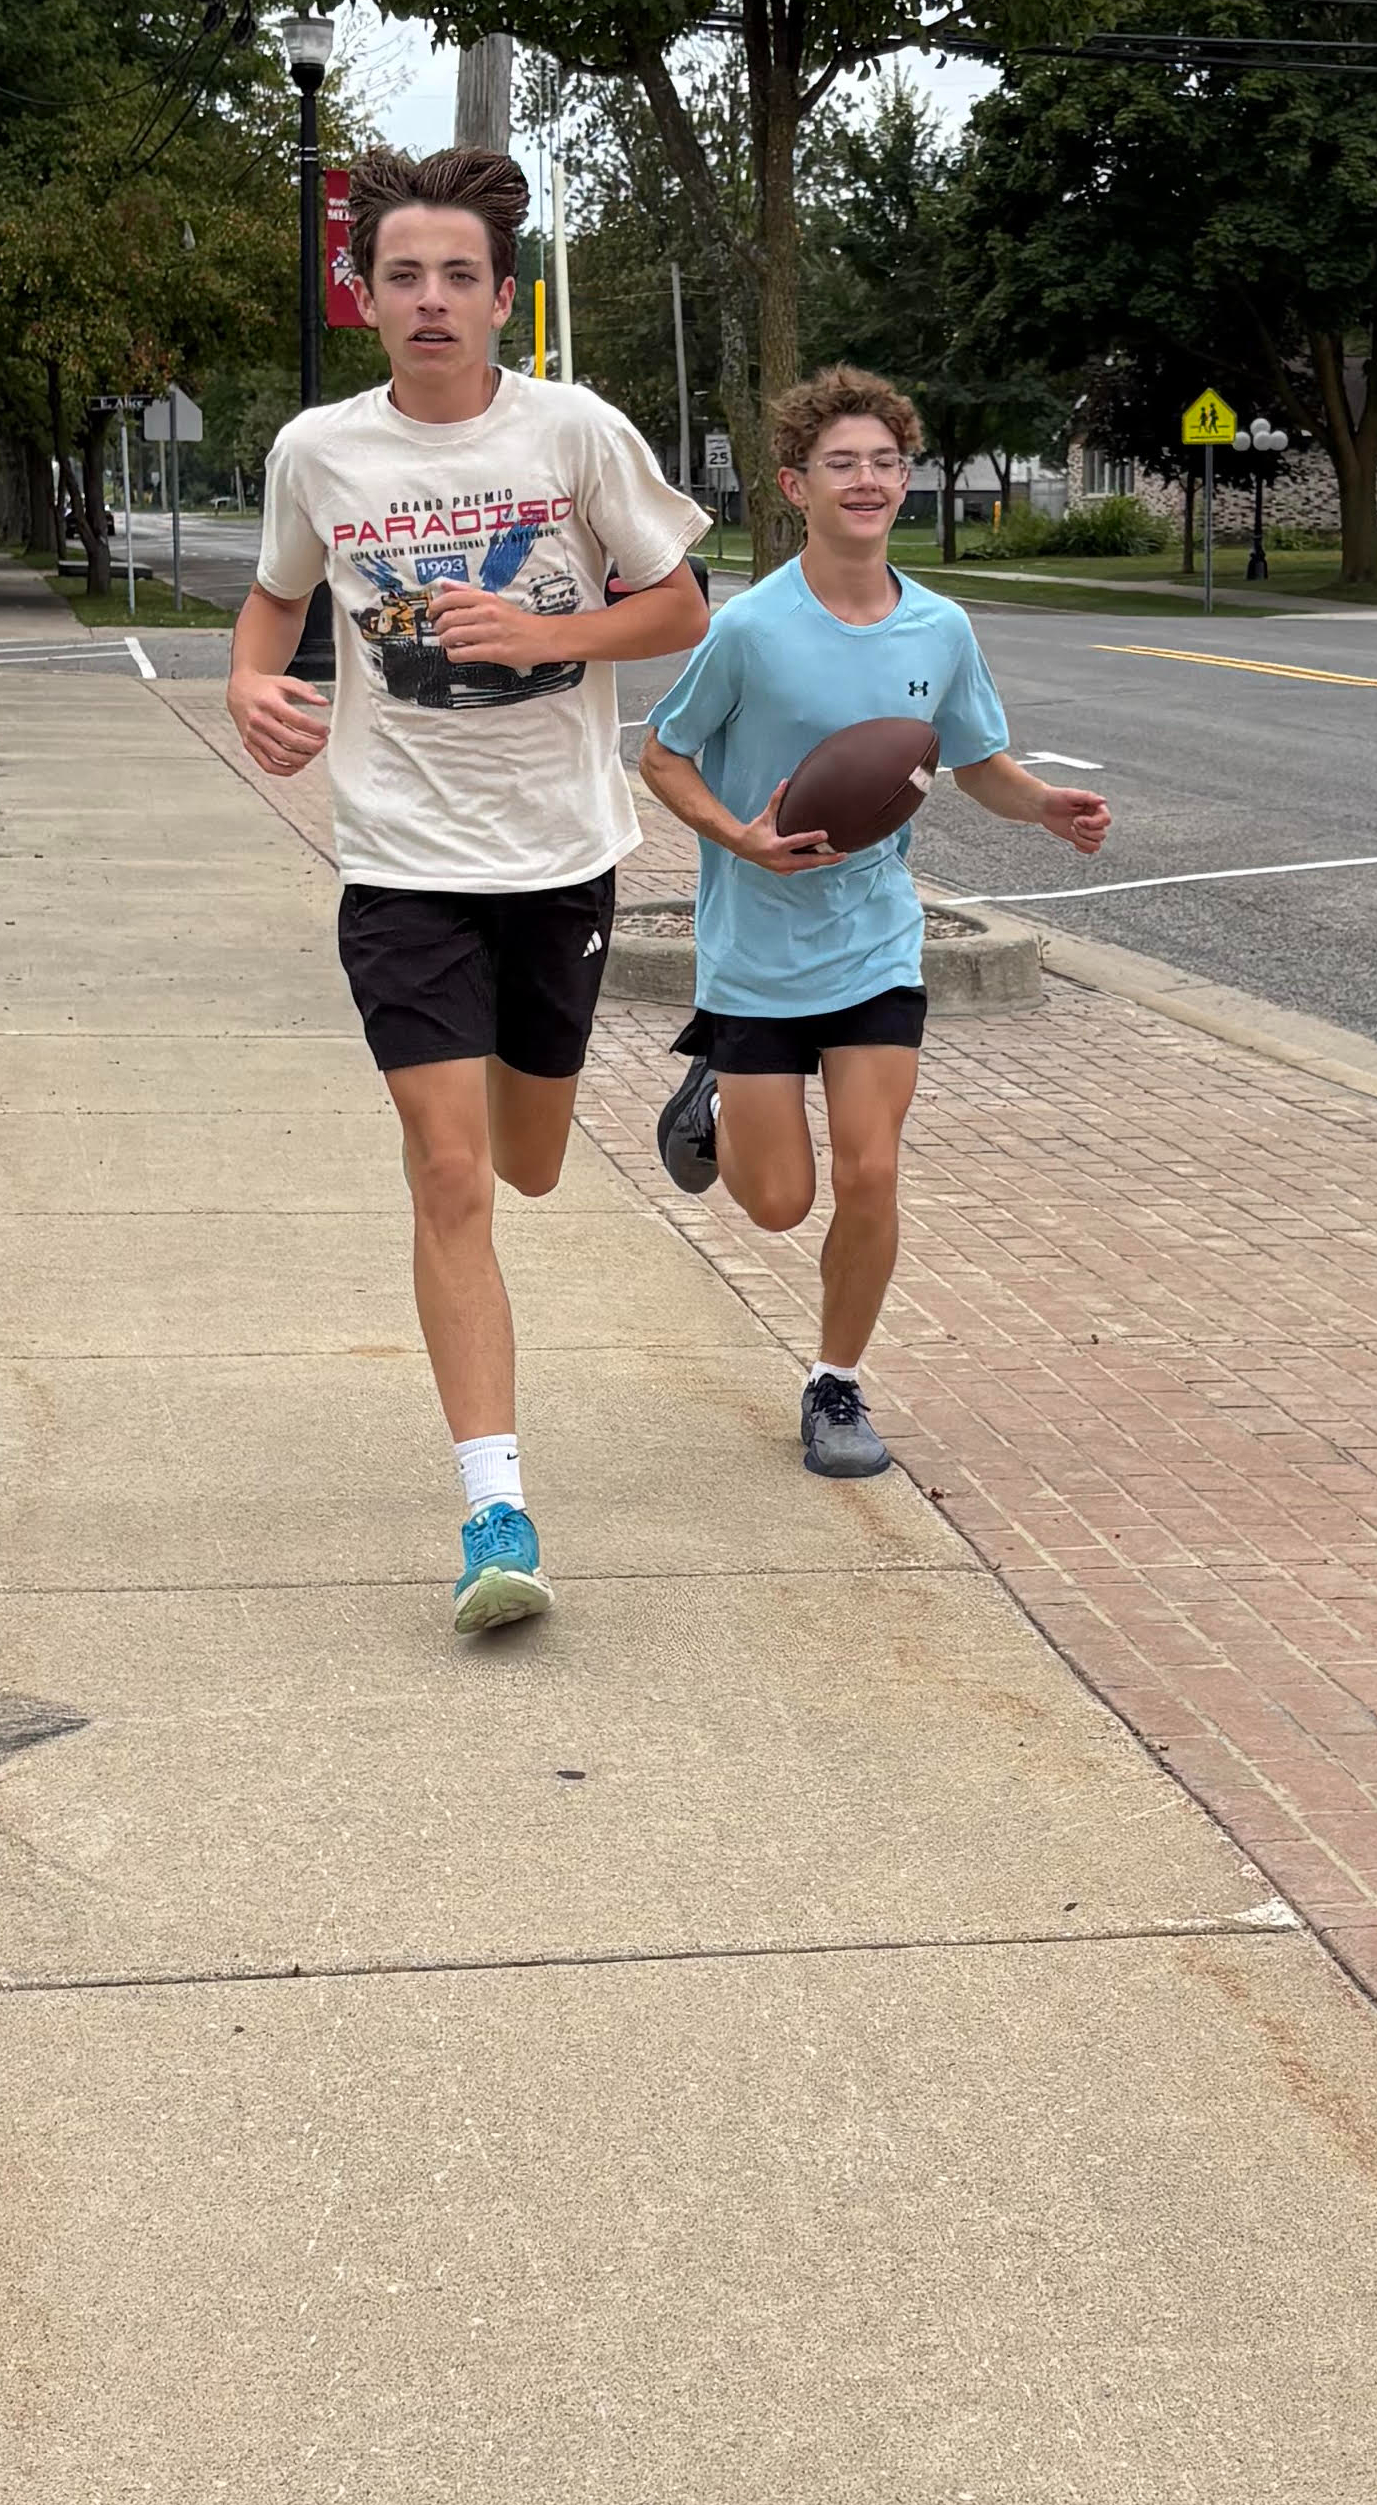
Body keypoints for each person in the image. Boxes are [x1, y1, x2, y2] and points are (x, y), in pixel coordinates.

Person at [227, 145, 709, 1632]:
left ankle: (625, 1106)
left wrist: (545, 636)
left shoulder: (571, 433)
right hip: (398, 860)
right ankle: (494, 1509)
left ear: (506, 299)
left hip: (557, 852)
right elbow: (275, 602)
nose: (430, 299)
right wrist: (251, 683)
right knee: (449, 1177)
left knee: (532, 1160)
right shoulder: (318, 452)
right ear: (363, 298)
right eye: (401, 276)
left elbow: (682, 606)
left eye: (458, 277)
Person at [639, 365, 1109, 1476]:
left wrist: (1042, 805)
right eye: (840, 464)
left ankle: (834, 1382)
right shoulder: (748, 628)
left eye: (884, 462)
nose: (866, 480)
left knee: (869, 1172)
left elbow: (974, 762)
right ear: (795, 486)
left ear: (907, 479)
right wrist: (738, 836)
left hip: (872, 945)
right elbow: (659, 754)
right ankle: (709, 1090)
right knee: (775, 1202)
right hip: (755, 950)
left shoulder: (939, 630)